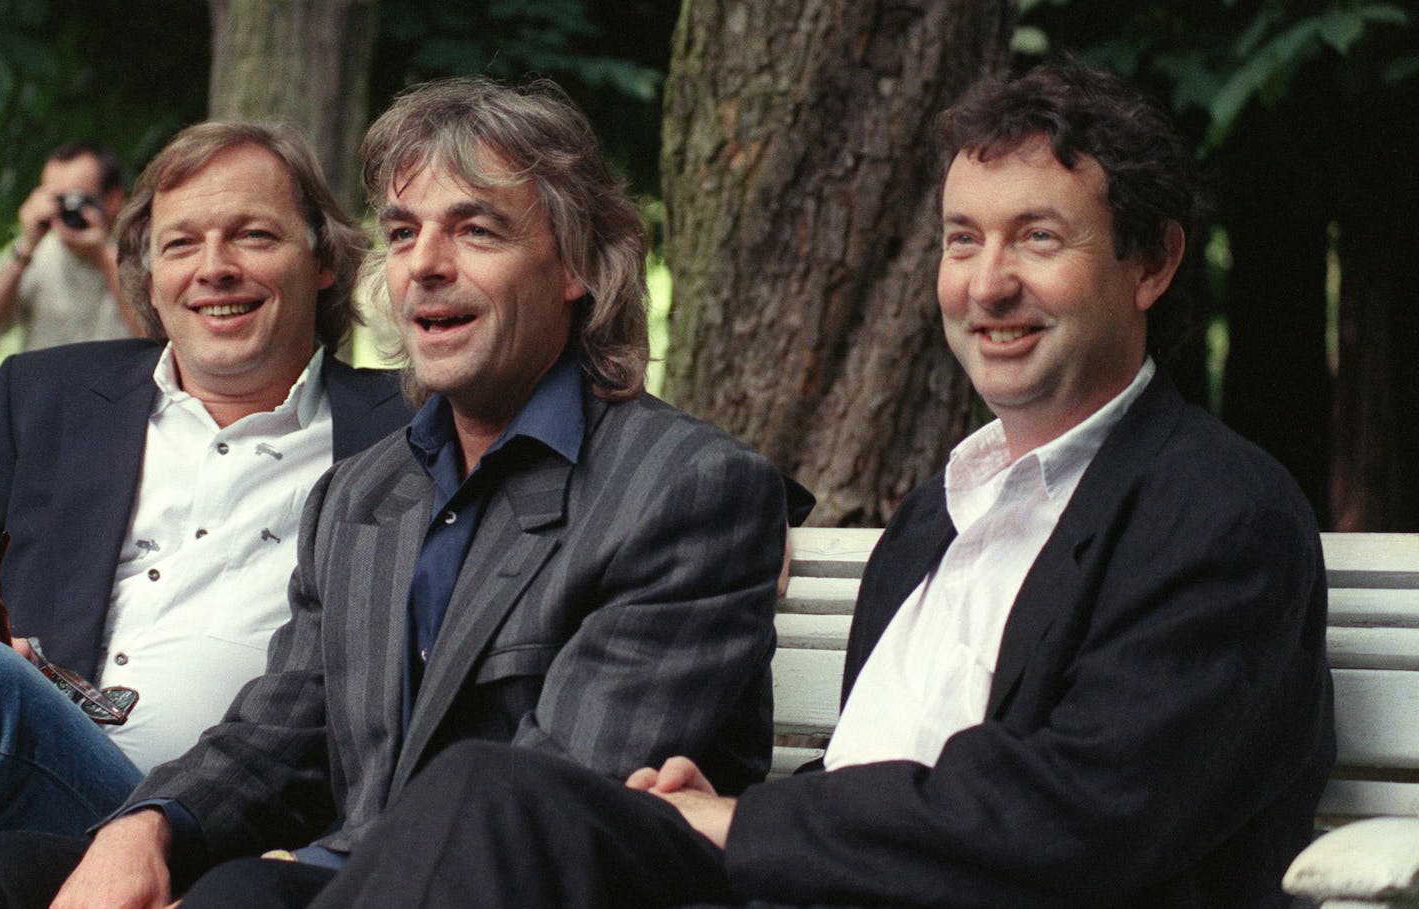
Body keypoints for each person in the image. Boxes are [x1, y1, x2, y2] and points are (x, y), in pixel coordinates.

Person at [302, 64, 1338, 909]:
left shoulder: (1214, 513)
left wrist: (749, 824)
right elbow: (888, 776)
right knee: (496, 806)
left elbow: (1079, 812)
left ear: (1149, 265)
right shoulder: (943, 517)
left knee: (487, 801)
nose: (986, 285)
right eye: (961, 240)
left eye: (1036, 238)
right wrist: (736, 803)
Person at [0, 76, 794, 909]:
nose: (426, 264)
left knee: (244, 893)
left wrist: (282, 864)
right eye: (405, 230)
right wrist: (152, 827)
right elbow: (284, 730)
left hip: (515, 879)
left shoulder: (688, 491)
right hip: (337, 862)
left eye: (476, 231)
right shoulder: (362, 493)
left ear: (575, 265)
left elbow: (544, 799)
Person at [0, 122, 411, 909]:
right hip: (29, 794)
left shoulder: (404, 434)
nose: (214, 268)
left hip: (222, 829)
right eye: (180, 243)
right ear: (149, 275)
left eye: (253, 236)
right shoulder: (46, 395)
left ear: (325, 260)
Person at [0, 141, 142, 349]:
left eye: (76, 199)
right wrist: (26, 246)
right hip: (48, 382)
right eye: (57, 199)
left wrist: (104, 256)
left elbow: (157, 340)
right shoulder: (37, 252)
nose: (66, 210)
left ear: (113, 200)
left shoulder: (145, 250)